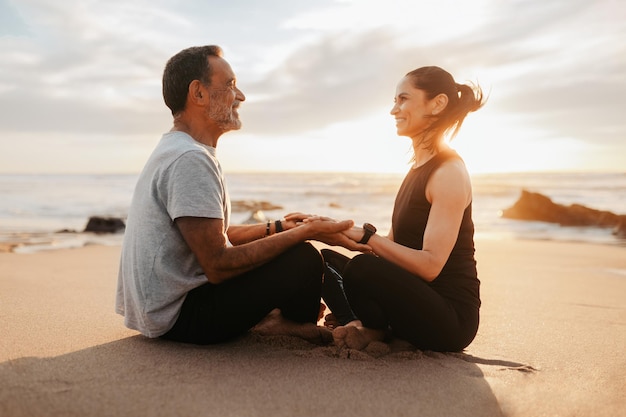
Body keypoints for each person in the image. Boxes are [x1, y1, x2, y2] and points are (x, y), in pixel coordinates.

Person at [116, 45, 367, 346]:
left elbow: (213, 235)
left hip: (158, 311)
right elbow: (218, 264)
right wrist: (306, 233)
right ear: (198, 93)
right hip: (181, 318)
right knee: (302, 258)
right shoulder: (190, 160)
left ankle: (281, 317)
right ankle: (289, 323)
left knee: (291, 246)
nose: (242, 96)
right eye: (231, 85)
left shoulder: (179, 149)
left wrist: (278, 228)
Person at [322, 66, 485, 352]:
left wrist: (368, 238)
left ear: (437, 104)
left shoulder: (449, 172)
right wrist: (332, 230)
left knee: (361, 270)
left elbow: (431, 266)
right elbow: (391, 249)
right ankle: (368, 325)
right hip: (411, 297)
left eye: (403, 99)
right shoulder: (416, 169)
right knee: (324, 262)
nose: (393, 110)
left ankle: (370, 327)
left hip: (449, 317)